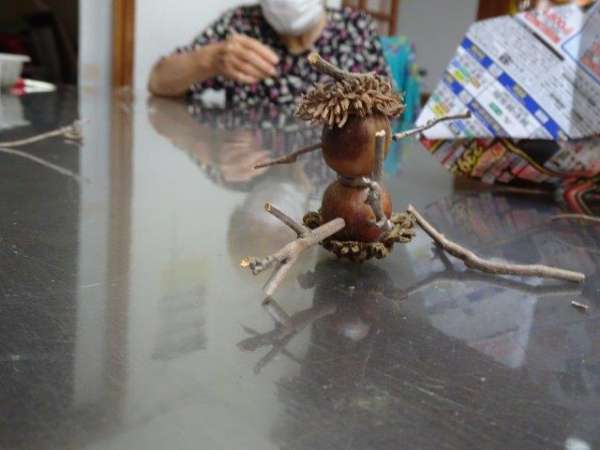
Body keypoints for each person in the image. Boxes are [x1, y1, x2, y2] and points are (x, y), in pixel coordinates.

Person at [148, 0, 389, 107]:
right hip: (255, 172)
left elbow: (390, 107)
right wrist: (209, 60)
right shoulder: (239, 25)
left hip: (335, 174)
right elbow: (158, 81)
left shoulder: (357, 28)